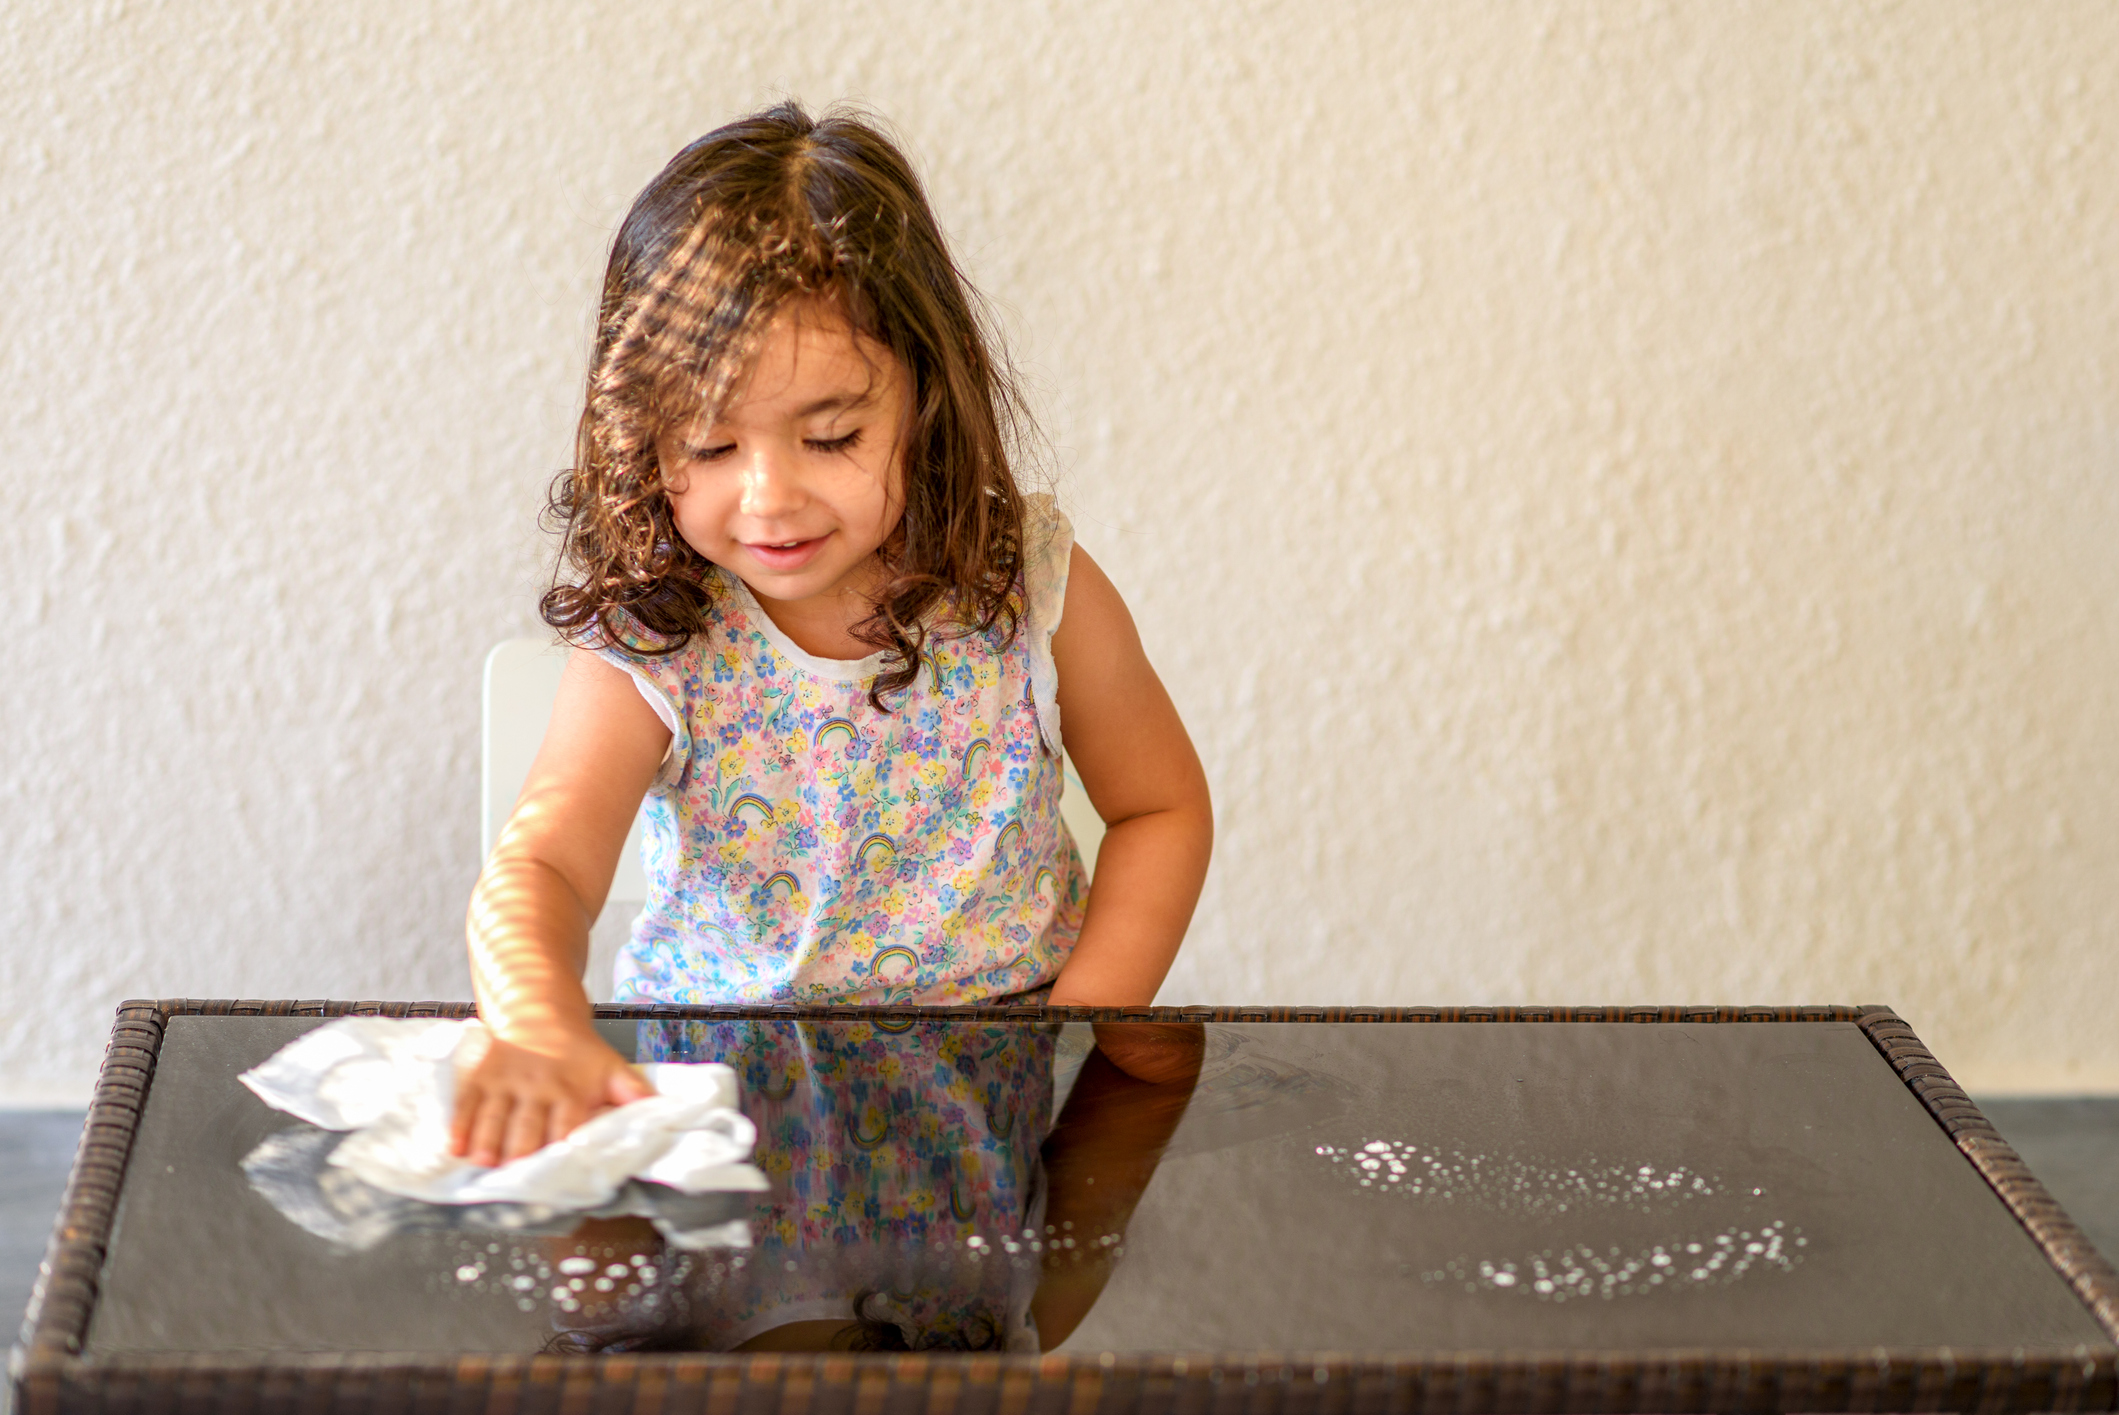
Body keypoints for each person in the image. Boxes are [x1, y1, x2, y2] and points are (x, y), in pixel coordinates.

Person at [453, 102, 1213, 1169]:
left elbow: (1160, 806)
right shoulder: (660, 633)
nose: (768, 497)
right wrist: (536, 1022)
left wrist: (1074, 1028)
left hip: (988, 1120)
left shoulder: (1030, 584)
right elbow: (543, 866)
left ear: (926, 397)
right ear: (641, 433)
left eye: (831, 435)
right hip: (715, 1117)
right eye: (709, 443)